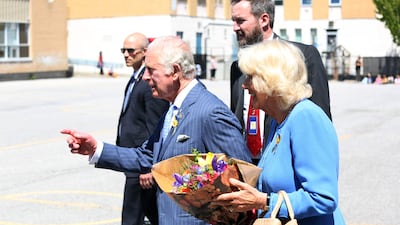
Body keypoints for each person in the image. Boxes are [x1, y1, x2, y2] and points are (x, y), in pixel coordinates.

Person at [61, 36, 252, 225]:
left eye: (151, 70)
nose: (144, 77)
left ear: (175, 71)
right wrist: (96, 149)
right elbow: (146, 156)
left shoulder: (210, 112)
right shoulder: (174, 109)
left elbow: (243, 179)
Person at [214, 40, 346, 225]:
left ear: (270, 80)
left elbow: (324, 198)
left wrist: (264, 201)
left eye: (250, 77)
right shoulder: (280, 120)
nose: (244, 85)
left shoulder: (305, 117)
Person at [230, 0, 332, 163]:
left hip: (285, 167)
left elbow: (320, 121)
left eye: (240, 21)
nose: (235, 27)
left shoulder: (302, 56)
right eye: (233, 21)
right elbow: (237, 120)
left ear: (264, 20)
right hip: (247, 166)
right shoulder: (237, 67)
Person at [118, 33, 169, 225]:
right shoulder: (135, 78)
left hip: (140, 162)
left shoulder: (149, 84)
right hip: (131, 158)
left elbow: (154, 125)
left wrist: (148, 166)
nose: (126, 54)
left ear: (145, 52)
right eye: (123, 50)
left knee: (132, 216)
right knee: (148, 212)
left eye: (131, 51)